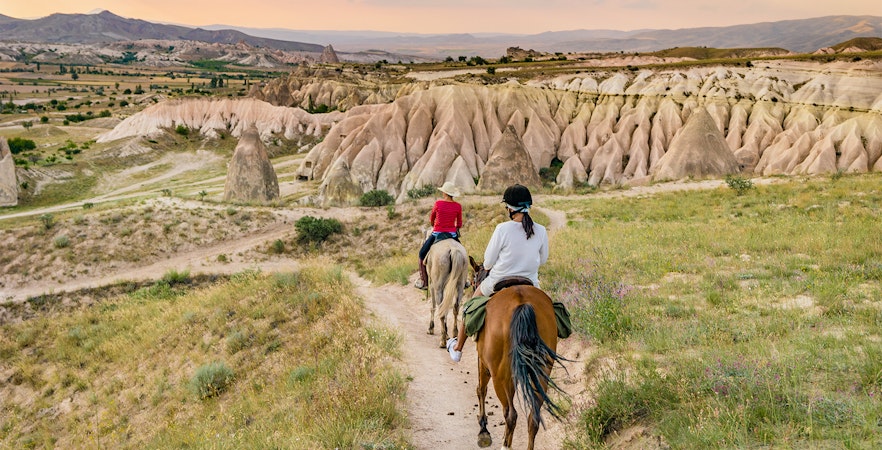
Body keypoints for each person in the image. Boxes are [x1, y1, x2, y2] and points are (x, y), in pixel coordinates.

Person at [447, 184, 548, 362]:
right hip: (531, 282)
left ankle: (457, 348)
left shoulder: (502, 229)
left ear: (510, 208)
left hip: (498, 281)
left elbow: (487, 262)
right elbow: (544, 259)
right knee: (548, 309)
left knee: (470, 307)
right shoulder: (541, 230)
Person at [415, 181, 463, 290]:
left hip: (437, 233)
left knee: (422, 254)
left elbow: (432, 218)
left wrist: (433, 224)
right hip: (452, 234)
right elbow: (459, 224)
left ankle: (424, 282)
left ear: (445, 193)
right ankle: (463, 281)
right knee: (462, 254)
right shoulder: (458, 206)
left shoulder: (438, 204)